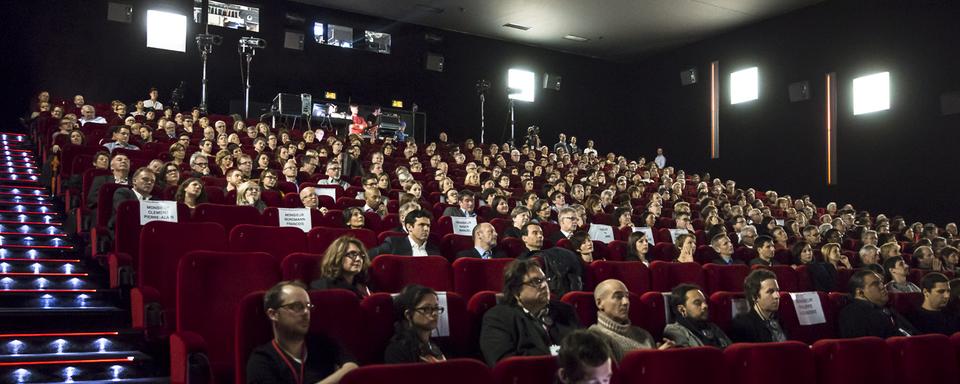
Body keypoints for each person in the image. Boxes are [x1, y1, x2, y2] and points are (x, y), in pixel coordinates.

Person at [246, 281, 358, 383]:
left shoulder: (322, 343)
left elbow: (352, 367)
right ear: (273, 314)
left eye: (308, 306)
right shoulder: (262, 359)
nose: (306, 312)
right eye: (297, 307)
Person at [479, 258, 579, 366]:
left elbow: (585, 346)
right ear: (516, 291)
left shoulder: (565, 310)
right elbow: (504, 363)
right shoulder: (498, 318)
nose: (544, 285)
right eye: (536, 282)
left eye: (545, 280)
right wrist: (555, 355)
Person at [588, 279, 671, 361]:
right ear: (599, 303)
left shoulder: (644, 335)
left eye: (627, 296)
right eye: (618, 297)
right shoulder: (595, 337)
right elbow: (612, 374)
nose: (626, 302)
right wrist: (656, 356)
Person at [838, 269, 917, 338]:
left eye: (881, 282)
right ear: (860, 292)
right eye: (875, 284)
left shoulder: (886, 308)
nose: (883, 286)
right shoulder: (852, 313)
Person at [383, 284, 447, 364]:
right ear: (408, 315)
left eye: (436, 308)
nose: (434, 313)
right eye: (426, 309)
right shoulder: (397, 351)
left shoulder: (437, 345)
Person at [662, 283, 732, 348]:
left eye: (705, 302)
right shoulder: (674, 330)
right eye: (697, 303)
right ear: (682, 309)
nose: (705, 306)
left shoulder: (713, 327)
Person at [730, 269, 787, 343]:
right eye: (770, 291)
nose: (777, 296)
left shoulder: (781, 320)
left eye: (777, 291)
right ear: (754, 297)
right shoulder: (743, 325)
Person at [368, 210, 441, 257]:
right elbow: (368, 256)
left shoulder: (434, 250)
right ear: (409, 227)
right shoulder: (393, 244)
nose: (426, 229)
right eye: (421, 225)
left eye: (428, 226)